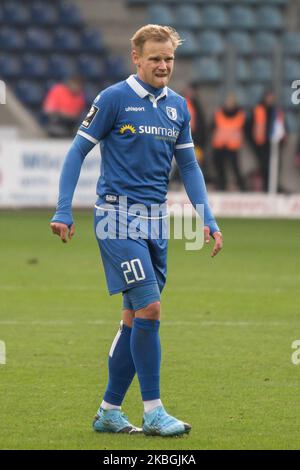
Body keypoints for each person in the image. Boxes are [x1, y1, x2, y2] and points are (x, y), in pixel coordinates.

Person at [50, 25, 223, 437]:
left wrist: (208, 218)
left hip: (156, 222)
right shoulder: (114, 99)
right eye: (155, 58)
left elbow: (191, 167)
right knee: (151, 309)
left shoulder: (178, 107)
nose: (163, 65)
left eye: (169, 59)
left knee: (133, 320)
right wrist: (63, 209)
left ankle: (109, 411)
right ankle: (154, 411)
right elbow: (78, 151)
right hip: (115, 219)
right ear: (136, 57)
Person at [247, 91, 286, 192]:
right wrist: (254, 143)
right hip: (261, 145)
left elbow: (283, 127)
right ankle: (266, 188)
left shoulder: (276, 111)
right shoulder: (257, 110)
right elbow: (248, 127)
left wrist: (281, 142)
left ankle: (274, 187)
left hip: (274, 145)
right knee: (264, 167)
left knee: (276, 166)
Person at [211, 94, 246, 191]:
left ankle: (242, 187)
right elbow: (212, 127)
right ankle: (221, 185)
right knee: (219, 167)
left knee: (235, 168)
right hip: (219, 145)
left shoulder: (240, 115)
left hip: (233, 146)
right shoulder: (218, 113)